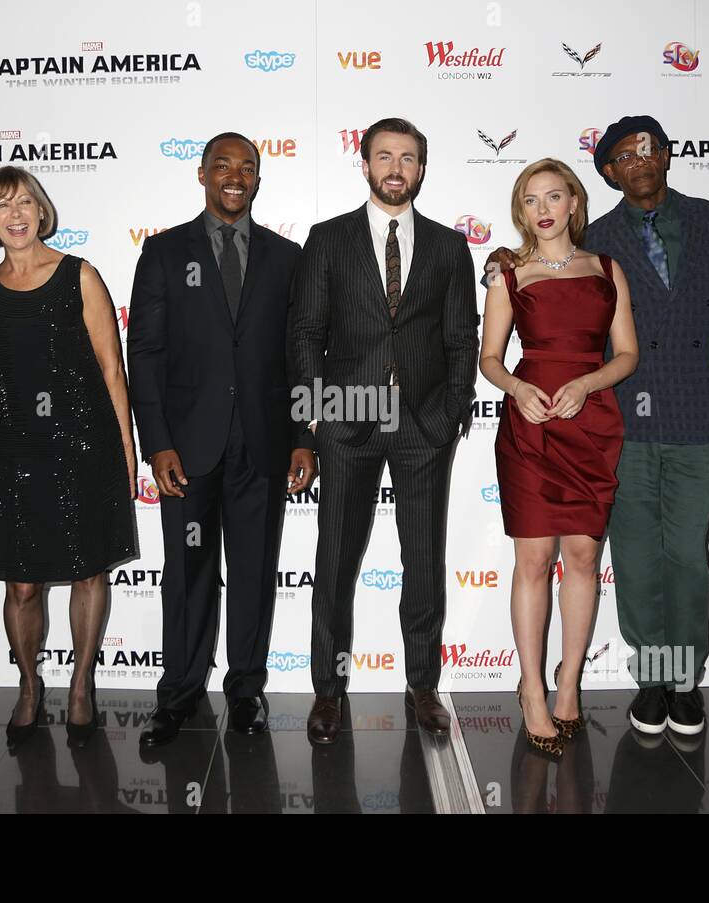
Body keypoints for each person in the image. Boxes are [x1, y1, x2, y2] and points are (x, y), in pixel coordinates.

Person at [485, 115, 709, 736]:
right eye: (622, 156)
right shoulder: (573, 247)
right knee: (627, 561)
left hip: (677, 415)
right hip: (592, 424)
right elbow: (494, 344)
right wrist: (520, 385)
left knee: (682, 558)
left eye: (646, 149)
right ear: (606, 174)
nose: (637, 161)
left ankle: (681, 678)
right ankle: (645, 679)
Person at [288, 117, 479, 745]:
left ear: (422, 168)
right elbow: (307, 333)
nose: (396, 168)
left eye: (408, 158)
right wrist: (317, 418)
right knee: (335, 560)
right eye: (384, 156)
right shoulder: (328, 239)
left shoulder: (451, 249)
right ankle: (328, 689)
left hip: (423, 426)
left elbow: (459, 338)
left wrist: (449, 415)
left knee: (422, 560)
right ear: (364, 164)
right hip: (348, 422)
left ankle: (422, 685)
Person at [128, 133, 313, 747]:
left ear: (258, 180)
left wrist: (302, 436)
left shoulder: (287, 259)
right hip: (188, 450)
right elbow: (146, 354)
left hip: (261, 447)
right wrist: (156, 442)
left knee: (256, 573)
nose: (235, 176)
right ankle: (177, 694)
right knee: (186, 573)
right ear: (202, 175)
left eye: (247, 168)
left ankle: (245, 692)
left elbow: (299, 356)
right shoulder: (162, 253)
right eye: (223, 166)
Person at [0, 166, 139, 749]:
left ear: (41, 212)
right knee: (21, 585)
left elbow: (113, 371)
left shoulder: (79, 275)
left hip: (84, 443)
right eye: (1, 205)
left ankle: (83, 684)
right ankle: (28, 685)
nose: (14, 215)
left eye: (23, 203)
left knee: (89, 571)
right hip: (17, 448)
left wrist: (125, 448)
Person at [479, 159, 637, 757]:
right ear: (521, 211)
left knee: (583, 553)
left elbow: (627, 355)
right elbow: (490, 358)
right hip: (532, 424)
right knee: (534, 559)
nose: (542, 208)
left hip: (590, 419)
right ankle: (532, 691)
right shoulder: (509, 273)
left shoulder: (607, 270)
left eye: (553, 196)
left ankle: (568, 683)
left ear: (574, 202)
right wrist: (518, 389)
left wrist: (588, 384)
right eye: (529, 199)